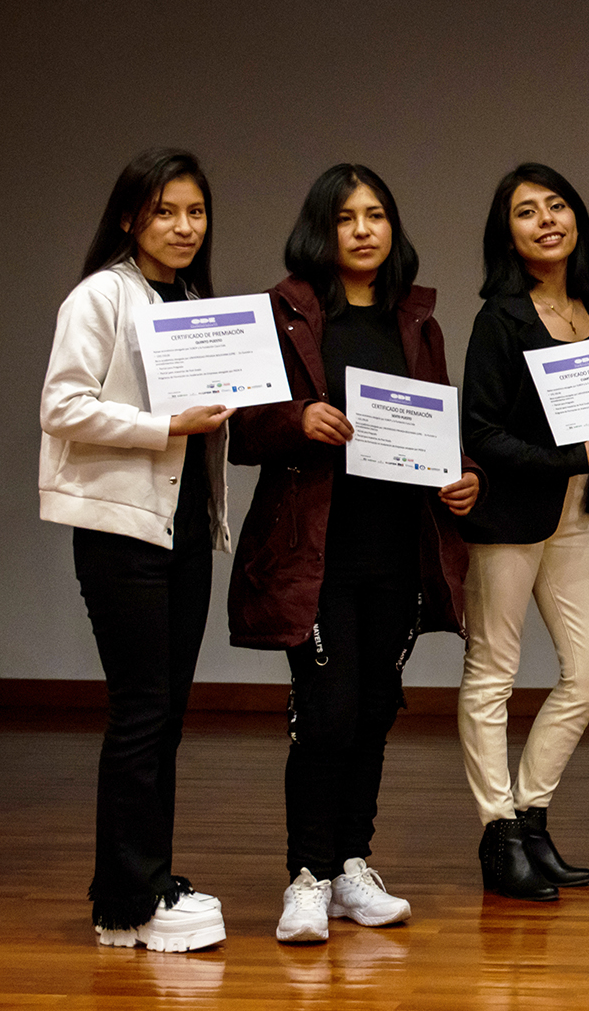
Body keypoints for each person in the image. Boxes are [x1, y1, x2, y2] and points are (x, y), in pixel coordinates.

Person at [227, 164, 482, 942]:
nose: (364, 229)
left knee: (372, 711)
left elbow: (440, 429)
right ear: (321, 229)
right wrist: (298, 419)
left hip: (398, 547)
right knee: (328, 713)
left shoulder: (417, 319)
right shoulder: (287, 314)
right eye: (346, 217)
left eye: (376, 214)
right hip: (315, 553)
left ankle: (350, 866)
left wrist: (464, 475)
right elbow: (241, 428)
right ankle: (305, 876)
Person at [40, 148, 232, 951]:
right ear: (129, 217)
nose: (184, 227)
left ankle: (149, 880)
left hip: (181, 528)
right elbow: (62, 405)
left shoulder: (194, 300)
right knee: (141, 710)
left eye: (195, 211)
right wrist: (165, 425)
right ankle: (125, 899)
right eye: (165, 211)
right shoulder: (101, 295)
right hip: (120, 529)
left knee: (167, 714)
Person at [457, 163, 589, 901]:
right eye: (527, 212)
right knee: (492, 674)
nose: (546, 220)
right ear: (508, 235)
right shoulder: (499, 318)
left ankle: (529, 813)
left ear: (577, 218)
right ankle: (498, 833)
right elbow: (482, 433)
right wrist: (573, 458)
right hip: (509, 519)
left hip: (577, 514)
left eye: (557, 205)